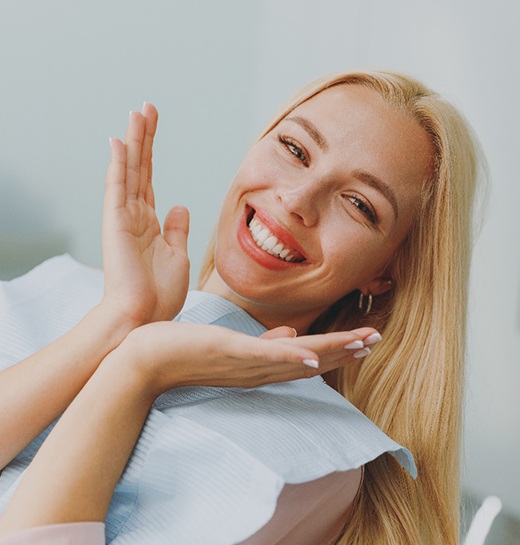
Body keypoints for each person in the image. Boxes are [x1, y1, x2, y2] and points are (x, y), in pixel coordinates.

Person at [0, 69, 480, 545]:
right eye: (294, 150)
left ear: (384, 272)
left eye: (357, 203)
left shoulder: (311, 463)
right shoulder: (63, 288)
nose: (297, 199)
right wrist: (119, 321)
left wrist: (139, 366)